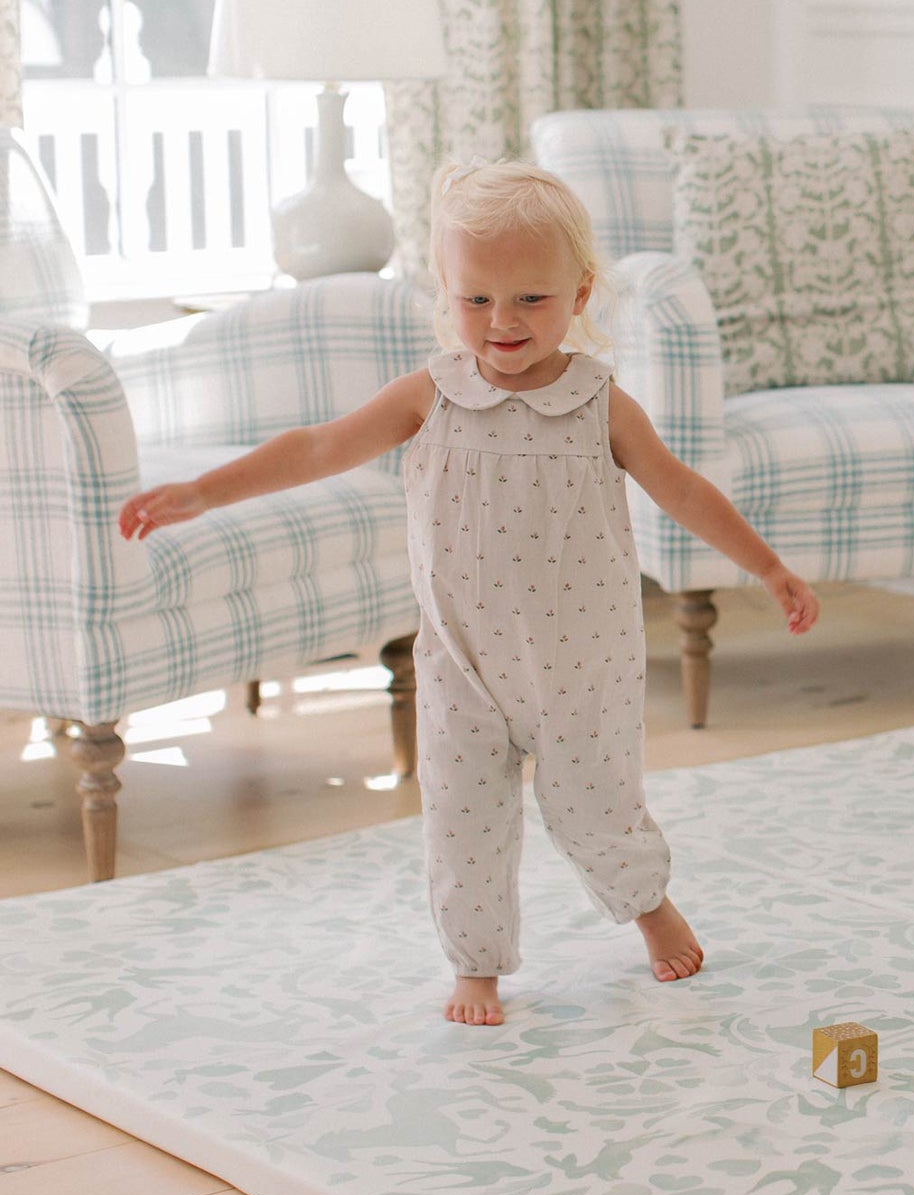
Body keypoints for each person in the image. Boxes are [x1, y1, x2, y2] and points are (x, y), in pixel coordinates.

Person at [118, 159, 820, 1027]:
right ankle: (475, 961)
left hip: (582, 663)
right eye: (476, 298)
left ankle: (649, 907)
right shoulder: (431, 395)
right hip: (461, 662)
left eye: (531, 298)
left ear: (579, 292)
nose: (502, 320)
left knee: (597, 807)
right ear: (444, 293)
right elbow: (317, 448)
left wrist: (767, 566)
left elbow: (680, 488)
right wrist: (203, 491)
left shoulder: (599, 402)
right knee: (461, 818)